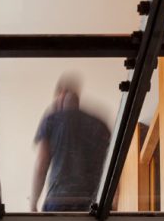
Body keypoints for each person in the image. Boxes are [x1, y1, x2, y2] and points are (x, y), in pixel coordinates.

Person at [30, 75, 111, 212]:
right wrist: (112, 200)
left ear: (60, 94)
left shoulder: (51, 120)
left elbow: (41, 164)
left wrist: (33, 204)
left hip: (59, 200)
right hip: (92, 203)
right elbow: (110, 165)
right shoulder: (100, 124)